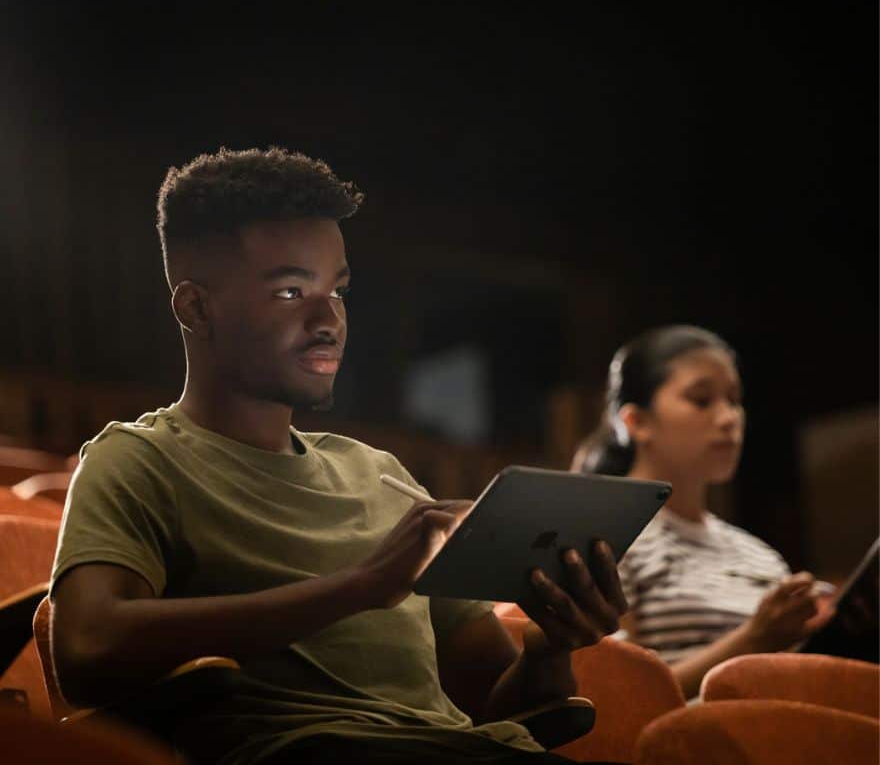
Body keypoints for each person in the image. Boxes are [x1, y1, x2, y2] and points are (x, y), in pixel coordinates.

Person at [50, 147, 627, 765]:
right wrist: (358, 588)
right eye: (292, 291)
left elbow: (505, 706)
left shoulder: (379, 475)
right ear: (195, 307)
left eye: (339, 291)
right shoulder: (136, 460)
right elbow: (85, 648)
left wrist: (550, 647)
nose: (330, 320)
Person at [573, 325, 830, 699]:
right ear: (637, 422)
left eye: (734, 399)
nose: (729, 418)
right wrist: (754, 637)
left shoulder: (759, 554)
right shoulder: (607, 539)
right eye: (702, 400)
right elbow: (616, 702)